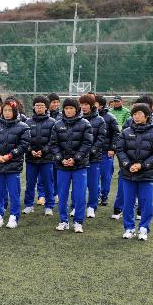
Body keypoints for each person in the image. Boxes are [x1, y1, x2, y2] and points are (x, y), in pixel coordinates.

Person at [115, 104, 153, 241]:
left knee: (146, 203)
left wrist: (142, 166)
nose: (136, 116)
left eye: (139, 113)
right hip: (127, 174)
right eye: (134, 114)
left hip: (146, 175)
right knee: (128, 203)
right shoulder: (125, 132)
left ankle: (144, 228)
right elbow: (120, 150)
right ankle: (129, 228)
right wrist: (128, 164)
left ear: (147, 115)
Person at [50, 98, 93, 233]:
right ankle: (63, 221)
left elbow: (87, 144)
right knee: (62, 195)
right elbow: (54, 144)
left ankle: (78, 222)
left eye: (71, 108)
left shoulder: (85, 124)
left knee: (80, 195)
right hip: (62, 166)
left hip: (79, 166)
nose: (68, 111)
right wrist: (60, 159)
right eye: (66, 108)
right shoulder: (57, 125)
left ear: (77, 110)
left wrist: (76, 159)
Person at [0, 98, 30, 228]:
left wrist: (10, 156)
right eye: (5, 110)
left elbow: (24, 145)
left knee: (14, 192)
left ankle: (13, 217)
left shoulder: (23, 127)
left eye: (9, 110)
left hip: (13, 166)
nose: (7, 113)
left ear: (15, 111)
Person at [23, 95, 57, 217]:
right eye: (37, 105)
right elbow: (24, 141)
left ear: (46, 107)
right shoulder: (27, 122)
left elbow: (53, 141)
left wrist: (44, 151)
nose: (39, 108)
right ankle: (28, 205)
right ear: (33, 107)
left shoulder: (53, 122)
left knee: (48, 183)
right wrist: (30, 150)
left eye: (42, 106)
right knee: (30, 183)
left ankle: (49, 206)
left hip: (46, 159)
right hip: (31, 159)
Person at [78, 95, 107, 219]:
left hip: (93, 158)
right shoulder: (76, 119)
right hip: (78, 158)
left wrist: (91, 151)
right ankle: (76, 206)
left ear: (92, 105)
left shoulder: (100, 120)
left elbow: (101, 139)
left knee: (93, 184)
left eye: (86, 104)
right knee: (78, 185)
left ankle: (91, 207)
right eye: (81, 104)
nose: (83, 107)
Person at [97, 95, 120, 206]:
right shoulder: (87, 117)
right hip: (92, 153)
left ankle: (104, 196)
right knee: (93, 176)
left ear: (100, 105)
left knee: (106, 176)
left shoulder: (110, 117)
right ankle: (95, 195)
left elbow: (116, 134)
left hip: (106, 152)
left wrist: (112, 148)